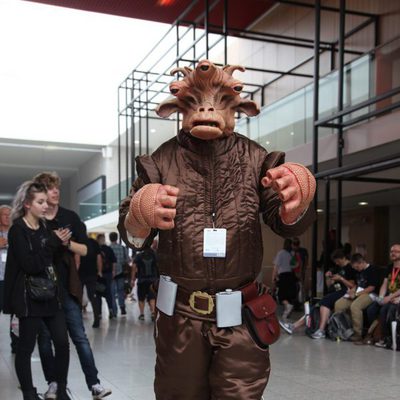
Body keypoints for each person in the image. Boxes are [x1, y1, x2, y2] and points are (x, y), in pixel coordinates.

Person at [118, 61, 315, 399]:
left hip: (240, 315)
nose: (207, 109)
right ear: (179, 108)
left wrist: (298, 201)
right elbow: (135, 234)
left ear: (239, 108)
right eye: (195, 101)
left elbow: (282, 219)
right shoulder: (162, 160)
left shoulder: (256, 158)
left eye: (219, 101)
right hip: (180, 316)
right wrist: (139, 212)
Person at [33, 172, 111, 400]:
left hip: (66, 286)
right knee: (45, 340)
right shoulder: (34, 218)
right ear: (39, 192)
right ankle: (54, 384)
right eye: (49, 188)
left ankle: (94, 384)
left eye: (56, 187)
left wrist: (67, 243)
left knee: (79, 336)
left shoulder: (70, 217)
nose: (55, 191)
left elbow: (87, 250)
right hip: (41, 287)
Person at [3, 181, 71, 400]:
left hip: (51, 295)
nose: (45, 206)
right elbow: (30, 265)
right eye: (40, 202)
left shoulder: (45, 228)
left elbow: (51, 261)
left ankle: (60, 389)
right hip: (28, 299)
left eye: (45, 201)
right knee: (25, 347)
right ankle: (29, 394)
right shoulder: (17, 231)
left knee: (62, 343)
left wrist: (61, 244)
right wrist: (52, 243)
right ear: (27, 205)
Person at [280, 249, 356, 338]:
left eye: (337, 261)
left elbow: (352, 285)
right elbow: (331, 282)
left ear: (342, 258)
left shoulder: (350, 268)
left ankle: (321, 330)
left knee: (325, 302)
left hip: (344, 292)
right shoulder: (338, 268)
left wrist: (341, 279)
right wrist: (329, 276)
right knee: (314, 308)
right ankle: (293, 326)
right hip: (335, 291)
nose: (336, 263)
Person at [334, 253, 380, 343]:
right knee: (339, 304)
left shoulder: (373, 270)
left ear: (361, 262)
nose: (356, 269)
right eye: (355, 268)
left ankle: (357, 334)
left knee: (355, 306)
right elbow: (357, 284)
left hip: (370, 294)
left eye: (357, 267)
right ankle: (344, 329)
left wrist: (356, 294)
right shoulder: (359, 271)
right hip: (358, 292)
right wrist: (352, 291)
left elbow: (371, 287)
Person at [374, 244, 400, 348]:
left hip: (397, 296)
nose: (393, 253)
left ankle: (387, 338)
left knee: (387, 309)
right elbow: (385, 284)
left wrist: (389, 298)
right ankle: (375, 336)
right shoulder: (389, 267)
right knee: (372, 308)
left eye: (396, 251)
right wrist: (381, 297)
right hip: (390, 295)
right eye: (391, 251)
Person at [78, 235, 103, 328]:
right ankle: (97, 318)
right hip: (92, 273)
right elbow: (99, 258)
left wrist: (75, 272)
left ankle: (77, 319)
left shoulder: (78, 242)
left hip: (80, 273)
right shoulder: (93, 243)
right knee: (93, 297)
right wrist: (99, 271)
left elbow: (77, 259)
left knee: (77, 297)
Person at [273, 238, 298, 320]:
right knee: (289, 294)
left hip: (283, 276)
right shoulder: (292, 253)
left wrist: (274, 277)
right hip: (291, 276)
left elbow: (276, 266)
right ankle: (286, 312)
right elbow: (295, 265)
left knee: (281, 295)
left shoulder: (281, 253)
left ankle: (287, 306)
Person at [132, 245, 158, 321]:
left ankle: (142, 314)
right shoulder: (154, 255)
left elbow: (134, 267)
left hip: (141, 280)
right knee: (152, 297)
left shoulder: (138, 256)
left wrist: (133, 279)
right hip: (152, 280)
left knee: (141, 297)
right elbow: (158, 266)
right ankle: (153, 312)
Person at [109, 231, 129, 316]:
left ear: (110, 238)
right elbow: (127, 260)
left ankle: (114, 311)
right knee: (121, 291)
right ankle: (122, 307)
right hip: (121, 272)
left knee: (112, 292)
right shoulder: (123, 248)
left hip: (111, 273)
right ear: (117, 238)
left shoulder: (108, 248)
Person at [96, 233, 117, 318]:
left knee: (98, 294)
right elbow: (114, 261)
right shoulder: (109, 249)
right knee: (109, 293)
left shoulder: (95, 249)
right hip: (108, 274)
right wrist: (113, 271)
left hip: (98, 274)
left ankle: (99, 313)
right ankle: (111, 310)